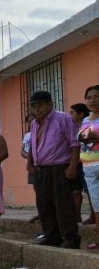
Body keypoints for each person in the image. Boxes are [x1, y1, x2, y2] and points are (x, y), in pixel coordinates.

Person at [27, 91, 81, 248]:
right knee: (44, 204)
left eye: (40, 105)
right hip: (40, 169)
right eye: (34, 106)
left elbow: (75, 144)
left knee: (63, 203)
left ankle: (71, 238)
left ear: (50, 104)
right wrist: (29, 163)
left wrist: (72, 166)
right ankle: (52, 236)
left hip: (60, 167)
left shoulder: (63, 118)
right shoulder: (34, 123)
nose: (37, 109)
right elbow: (32, 145)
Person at [78, 85, 99, 249]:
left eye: (96, 97)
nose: (92, 101)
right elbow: (80, 137)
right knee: (97, 205)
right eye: (89, 97)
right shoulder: (86, 120)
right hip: (88, 167)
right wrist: (83, 136)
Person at [69, 103, 90, 223]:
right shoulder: (71, 127)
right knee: (75, 190)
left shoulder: (87, 126)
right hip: (74, 163)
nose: (69, 115)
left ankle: (93, 215)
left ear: (81, 114)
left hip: (85, 163)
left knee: (89, 190)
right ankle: (77, 214)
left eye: (72, 113)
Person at [20, 113, 40, 223]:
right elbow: (22, 151)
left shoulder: (41, 132)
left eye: (32, 120)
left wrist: (33, 157)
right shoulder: (27, 135)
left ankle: (46, 214)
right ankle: (40, 213)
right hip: (30, 165)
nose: (30, 123)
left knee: (43, 191)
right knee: (37, 190)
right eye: (28, 121)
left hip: (39, 165)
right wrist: (30, 157)